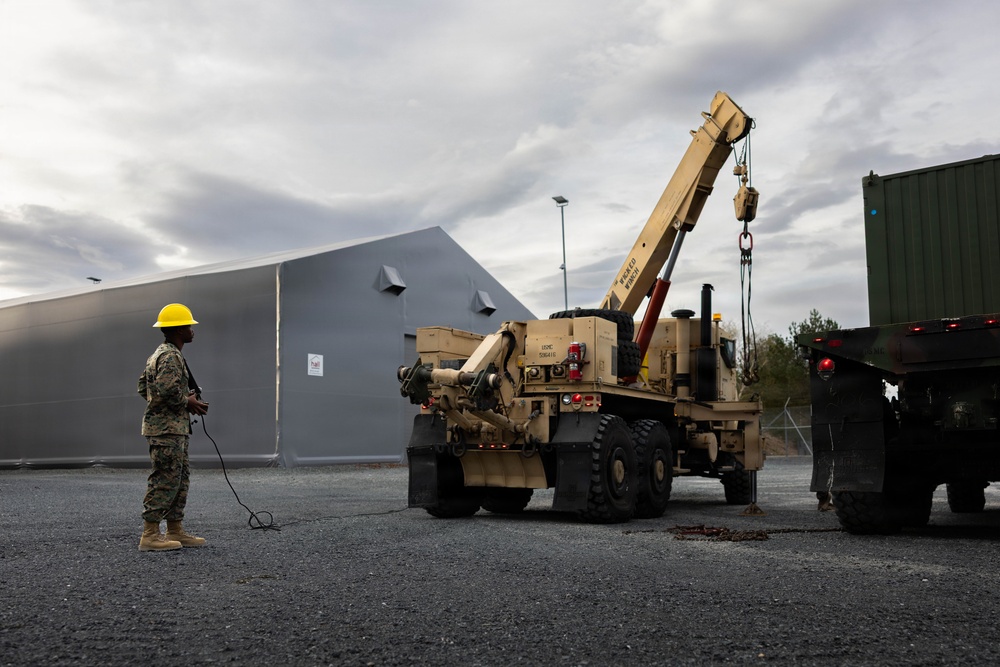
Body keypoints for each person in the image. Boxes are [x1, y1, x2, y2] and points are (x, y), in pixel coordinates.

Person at [137, 303, 210, 552]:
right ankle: (150, 535)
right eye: (188, 326)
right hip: (166, 430)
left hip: (173, 428)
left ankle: (175, 529)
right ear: (178, 329)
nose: (192, 330)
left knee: (179, 478)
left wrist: (180, 400)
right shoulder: (169, 356)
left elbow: (142, 387)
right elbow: (166, 390)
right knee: (165, 479)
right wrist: (185, 401)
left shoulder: (162, 354)